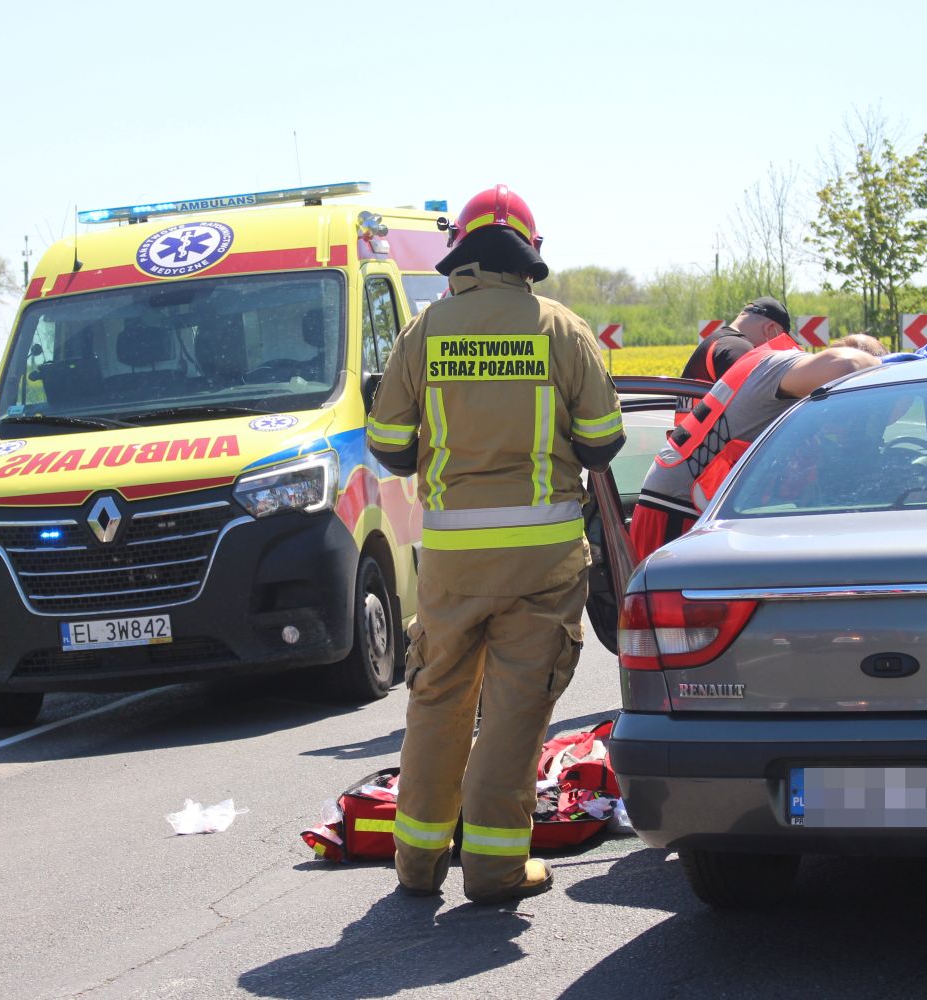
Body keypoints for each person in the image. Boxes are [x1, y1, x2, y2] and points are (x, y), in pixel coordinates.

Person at [365, 185, 625, 905]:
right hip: (541, 568)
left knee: (437, 703)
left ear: (464, 254)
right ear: (531, 255)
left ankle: (417, 867)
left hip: (451, 566)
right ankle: (494, 869)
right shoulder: (560, 328)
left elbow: (387, 445)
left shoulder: (425, 331)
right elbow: (604, 441)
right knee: (515, 713)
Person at [630, 341, 879, 561]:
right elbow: (847, 366)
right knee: (669, 607)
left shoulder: (788, 381)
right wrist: (886, 365)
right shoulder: (781, 364)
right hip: (678, 510)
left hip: (692, 510)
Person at [680, 296, 792, 381]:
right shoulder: (738, 349)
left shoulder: (720, 341)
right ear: (770, 328)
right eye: (780, 339)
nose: (778, 349)